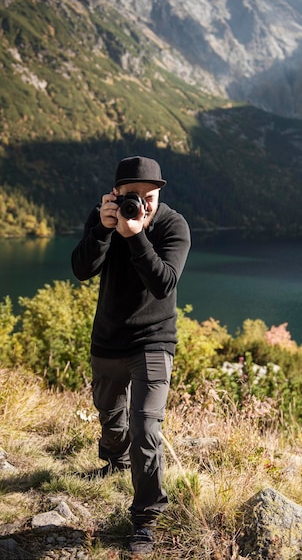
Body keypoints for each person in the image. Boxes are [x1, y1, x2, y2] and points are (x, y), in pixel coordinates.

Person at [71, 155, 191, 555]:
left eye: (149, 195)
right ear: (116, 193)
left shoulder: (173, 226)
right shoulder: (103, 216)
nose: (140, 203)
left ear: (159, 192)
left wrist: (136, 234)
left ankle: (145, 520)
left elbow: (163, 283)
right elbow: (82, 269)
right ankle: (115, 460)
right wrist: (103, 232)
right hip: (107, 339)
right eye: (131, 196)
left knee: (146, 428)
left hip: (155, 341)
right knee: (109, 413)